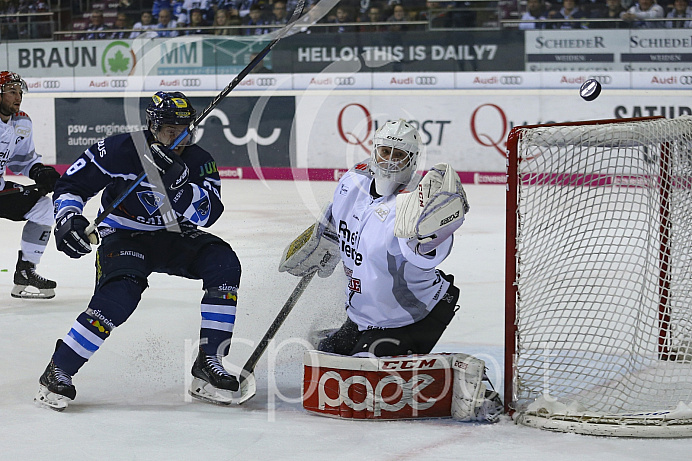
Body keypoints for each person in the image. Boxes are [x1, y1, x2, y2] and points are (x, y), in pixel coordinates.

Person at [34, 92, 242, 411]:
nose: (179, 136)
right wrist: (69, 218)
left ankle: (209, 361)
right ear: (152, 127)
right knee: (118, 297)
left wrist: (180, 187)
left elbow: (209, 213)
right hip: (123, 234)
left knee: (224, 264)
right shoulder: (120, 150)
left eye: (185, 128)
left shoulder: (199, 160)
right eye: (170, 129)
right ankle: (58, 369)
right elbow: (72, 186)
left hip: (173, 234)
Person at [279, 119, 468, 359]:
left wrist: (436, 231)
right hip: (364, 317)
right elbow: (337, 220)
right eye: (385, 151)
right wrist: (322, 242)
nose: (389, 160)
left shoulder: (415, 208)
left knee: (360, 377)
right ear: (374, 151)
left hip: (410, 318)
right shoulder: (353, 182)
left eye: (399, 154)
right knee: (325, 352)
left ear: (412, 159)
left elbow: (425, 249)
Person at [0, 71, 60, 300]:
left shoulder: (21, 122)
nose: (17, 97)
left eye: (19, 92)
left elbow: (22, 159)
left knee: (44, 208)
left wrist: (39, 172)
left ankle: (25, 271)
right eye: (11, 92)